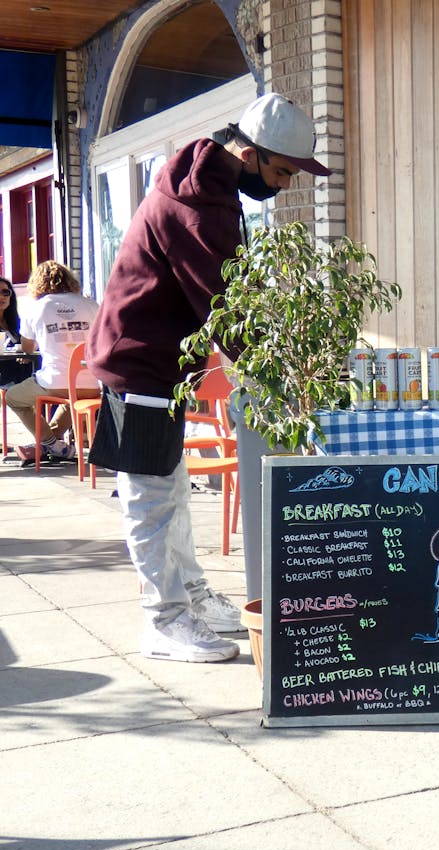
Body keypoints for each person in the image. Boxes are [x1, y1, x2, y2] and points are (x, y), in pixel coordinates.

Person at [86, 92, 331, 664]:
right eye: (283, 171)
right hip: (138, 362)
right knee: (150, 498)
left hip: (162, 363)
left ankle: (190, 596)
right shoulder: (198, 206)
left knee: (170, 489)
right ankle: (164, 620)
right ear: (248, 154)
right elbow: (226, 309)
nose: (286, 185)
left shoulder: (211, 186)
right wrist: (280, 372)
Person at [6, 261, 99, 461]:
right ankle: (53, 444)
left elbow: (28, 348)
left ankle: (49, 444)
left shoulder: (36, 308)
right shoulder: (91, 305)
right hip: (93, 384)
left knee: (13, 398)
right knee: (71, 400)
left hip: (54, 382)